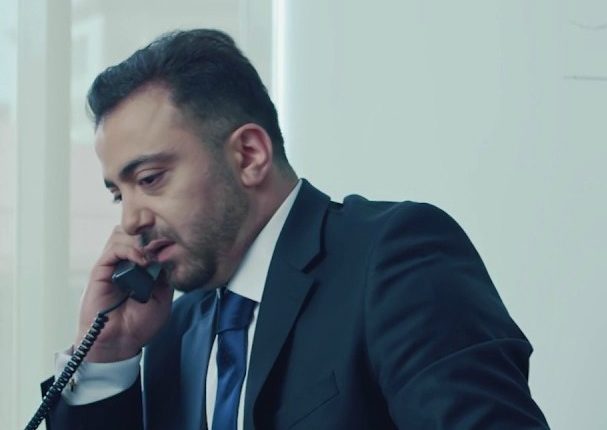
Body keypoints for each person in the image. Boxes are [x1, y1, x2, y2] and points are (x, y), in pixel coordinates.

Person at [43, 29, 549, 429]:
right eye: (119, 194)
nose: (130, 220)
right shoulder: (172, 332)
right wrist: (106, 355)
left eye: (151, 179)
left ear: (249, 155)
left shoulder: (393, 258)